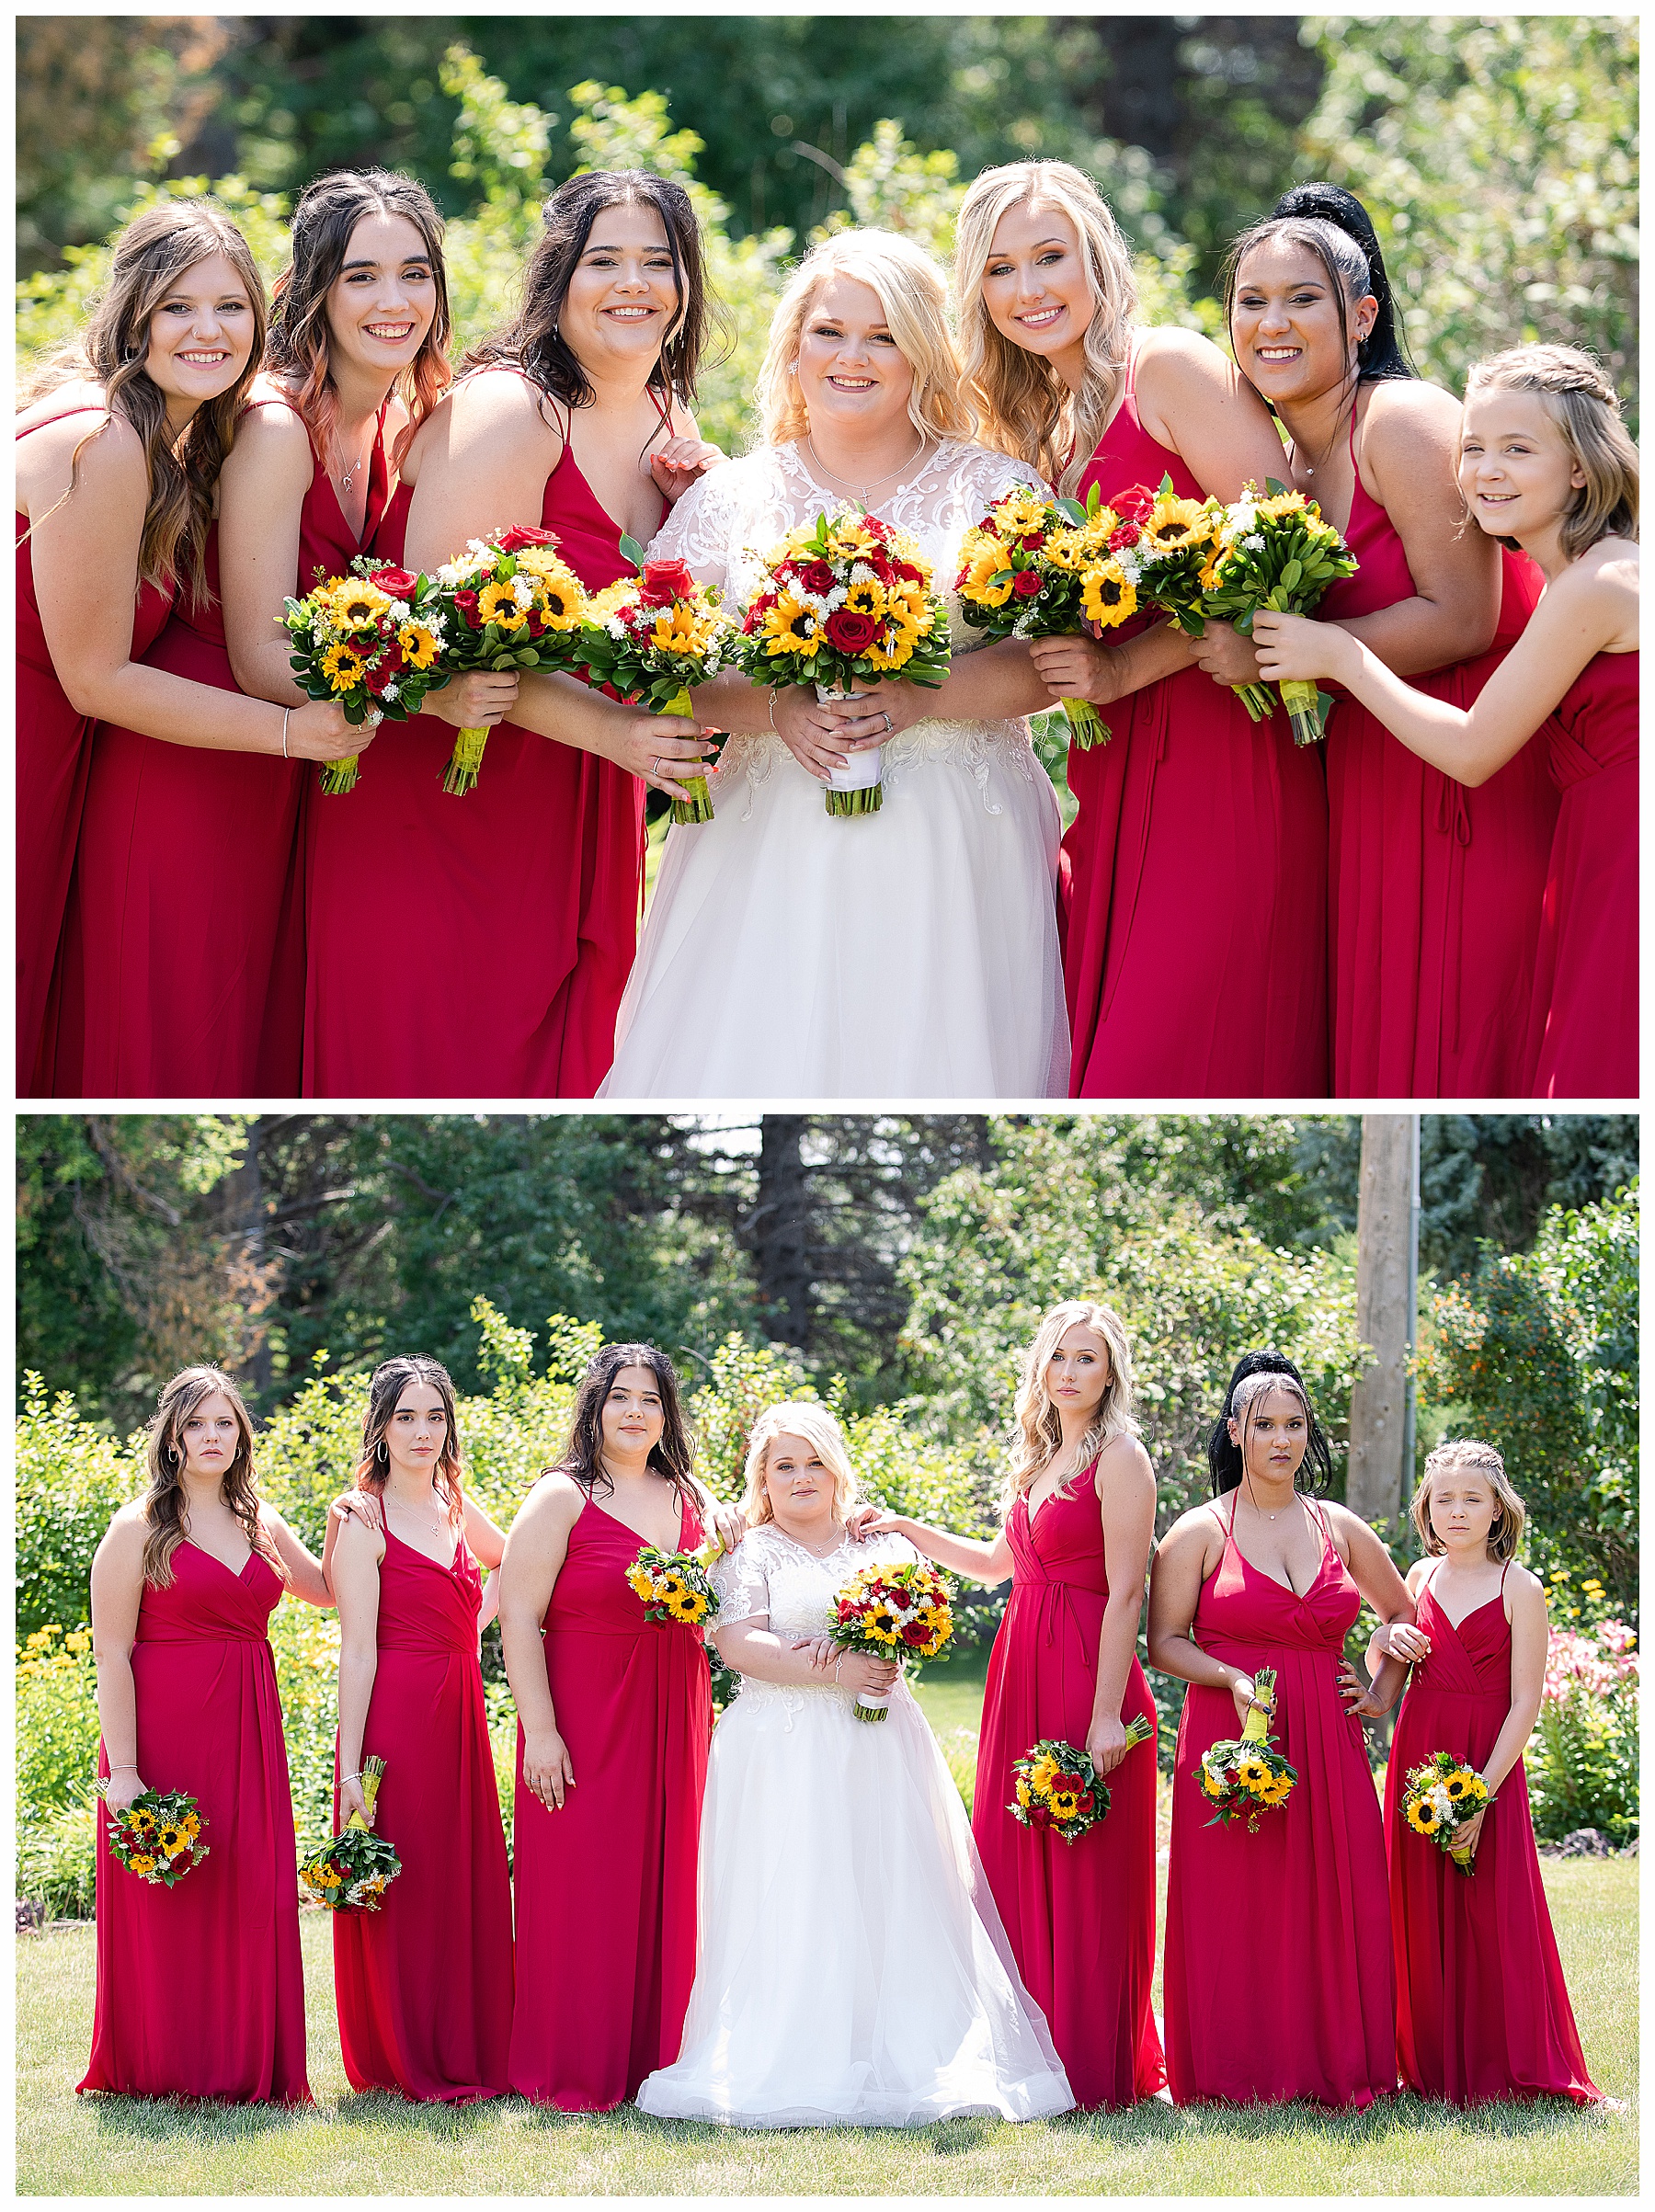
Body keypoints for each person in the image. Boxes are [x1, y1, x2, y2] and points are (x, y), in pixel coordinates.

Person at [600, 226, 1069, 1100]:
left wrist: (924, 697)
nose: (853, 356)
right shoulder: (728, 498)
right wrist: (776, 710)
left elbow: (1056, 663)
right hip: (769, 833)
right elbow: (662, 664)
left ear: (923, 356)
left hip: (956, 835)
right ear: (793, 348)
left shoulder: (994, 490)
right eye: (830, 331)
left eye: (884, 335)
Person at [303, 169, 723, 1098]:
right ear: (558, 277)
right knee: (449, 1061)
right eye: (603, 260)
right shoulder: (508, 410)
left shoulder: (668, 417)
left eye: (659, 261)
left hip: (587, 805)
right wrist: (622, 734)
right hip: (455, 797)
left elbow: (665, 623)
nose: (633, 284)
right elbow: (438, 642)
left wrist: (711, 512)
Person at [953, 158, 1327, 1098]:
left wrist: (1125, 671)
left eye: (1050, 256)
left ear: (1099, 259)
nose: (1029, 289)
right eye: (1001, 268)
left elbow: (1280, 545)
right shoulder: (1033, 426)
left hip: (1221, 750)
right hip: (1113, 775)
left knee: (1172, 1053)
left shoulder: (1167, 368)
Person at [636, 1401, 1074, 2126]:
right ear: (763, 1480)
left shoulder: (883, 1549)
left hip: (877, 1740)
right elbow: (738, 1644)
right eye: (784, 1466)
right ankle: (792, 2045)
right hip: (779, 1747)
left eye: (813, 1463)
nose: (801, 1477)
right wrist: (832, 1674)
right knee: (794, 1883)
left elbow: (919, 1621)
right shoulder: (750, 1553)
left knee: (888, 1879)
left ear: (836, 1469)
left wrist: (883, 1658)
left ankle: (907, 2041)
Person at [1222, 186, 1558, 1098]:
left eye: (1301, 299)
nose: (1272, 323)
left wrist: (1303, 655)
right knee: (1385, 1041)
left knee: (1455, 1032)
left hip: (1460, 767)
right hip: (1368, 773)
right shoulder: (1287, 462)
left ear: (1361, 315)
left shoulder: (1402, 421)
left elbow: (1464, 617)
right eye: (1251, 302)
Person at [15, 201, 355, 1096]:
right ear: (134, 316)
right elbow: (94, 678)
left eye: (231, 307)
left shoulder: (173, 440)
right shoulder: (106, 440)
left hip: (56, 763)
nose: (209, 330)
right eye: (178, 307)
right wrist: (292, 736)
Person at [1253, 343, 1638, 1099]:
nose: (1486, 471)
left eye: (1518, 450)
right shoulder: (1583, 576)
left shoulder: (1598, 582)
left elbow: (1471, 750)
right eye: (1474, 448)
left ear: (1582, 468)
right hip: (1594, 848)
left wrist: (1339, 655)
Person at [863, 1303, 1161, 2108]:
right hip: (1020, 1669)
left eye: (1087, 1360)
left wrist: (1106, 1714)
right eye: (1059, 1358)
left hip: (1087, 1672)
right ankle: (1030, 2054)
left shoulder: (1121, 1458)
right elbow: (998, 1564)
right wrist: (905, 1527)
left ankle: (1094, 2062)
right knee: (1012, 1860)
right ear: (1042, 1369)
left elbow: (1128, 1589)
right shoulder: (1036, 1462)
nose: (1070, 1372)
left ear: (1110, 1374)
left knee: (1087, 1864)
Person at [1148, 1366, 1415, 2106]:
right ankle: (1237, 2070)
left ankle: (1337, 2061)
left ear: (1309, 1433)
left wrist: (1380, 1691)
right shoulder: (1200, 1530)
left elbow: (1403, 1617)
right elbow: (1164, 1642)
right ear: (1235, 1433)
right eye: (1263, 1425)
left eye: (1293, 1425)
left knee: (1338, 1898)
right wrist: (1232, 1678)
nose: (1280, 1440)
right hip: (1239, 1736)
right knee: (1241, 1904)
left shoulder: (1339, 1525)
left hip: (1329, 1741)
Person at [79, 1365, 344, 2102]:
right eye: (196, 1423)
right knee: (174, 1896)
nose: (211, 1436)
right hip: (161, 1735)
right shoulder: (137, 1528)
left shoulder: (265, 1523)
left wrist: (347, 1518)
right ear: (171, 1437)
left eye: (224, 1423)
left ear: (241, 1434)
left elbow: (326, 1591)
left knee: (249, 1886)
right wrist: (124, 1771)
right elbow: (111, 1654)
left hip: (249, 1733)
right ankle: (166, 2065)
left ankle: (246, 2064)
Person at [497, 1343, 742, 2109]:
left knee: (674, 1879)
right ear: (594, 1409)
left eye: (651, 1400)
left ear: (668, 1414)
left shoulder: (692, 1498)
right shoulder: (561, 1496)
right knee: (586, 1887)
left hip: (675, 1708)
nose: (636, 1412)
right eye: (621, 1398)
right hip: (585, 1714)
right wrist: (540, 1730)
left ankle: (664, 2058)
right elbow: (516, 1616)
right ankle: (577, 2058)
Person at [1372, 1441, 1603, 2106]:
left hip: (1487, 1760)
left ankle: (1513, 2061)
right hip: (1420, 1753)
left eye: (1473, 1499)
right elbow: (1385, 1661)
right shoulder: (1417, 1578)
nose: (1458, 1511)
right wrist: (1384, 1640)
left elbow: (1525, 1703)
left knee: (1491, 1911)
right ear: (1426, 1508)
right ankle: (1430, 2064)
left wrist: (1481, 1795)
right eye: (1444, 1499)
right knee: (1417, 1907)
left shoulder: (1519, 1587)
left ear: (1500, 1510)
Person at [326, 1355, 514, 2102]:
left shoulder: (454, 1504)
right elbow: (358, 1650)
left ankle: (470, 2041)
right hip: (397, 1715)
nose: (422, 1431)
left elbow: (515, 1561)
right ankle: (405, 2052)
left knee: (458, 1873)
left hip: (460, 1704)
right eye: (405, 1416)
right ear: (379, 1425)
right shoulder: (360, 1516)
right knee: (403, 1880)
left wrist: (472, 1624)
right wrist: (350, 1769)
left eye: (435, 1415)